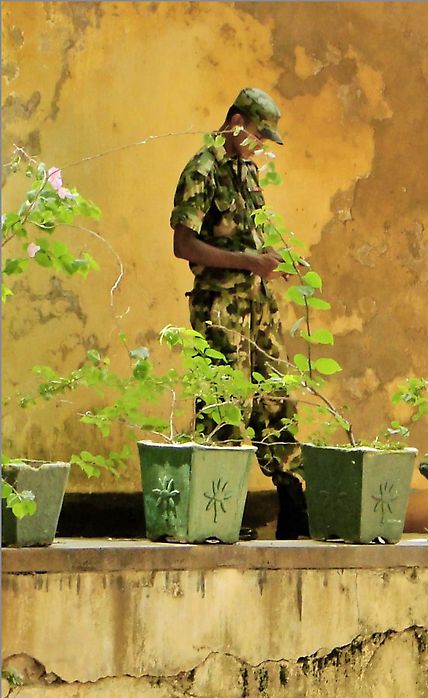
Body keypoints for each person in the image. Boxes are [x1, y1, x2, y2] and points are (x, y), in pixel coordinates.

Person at [170, 87, 309, 539]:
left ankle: (295, 514)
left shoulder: (248, 172)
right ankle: (218, 519)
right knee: (222, 405)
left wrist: (277, 260)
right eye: (256, 133)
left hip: (258, 306)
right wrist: (251, 263)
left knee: (276, 399)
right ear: (234, 120)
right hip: (221, 309)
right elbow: (183, 244)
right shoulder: (202, 169)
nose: (261, 144)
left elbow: (249, 240)